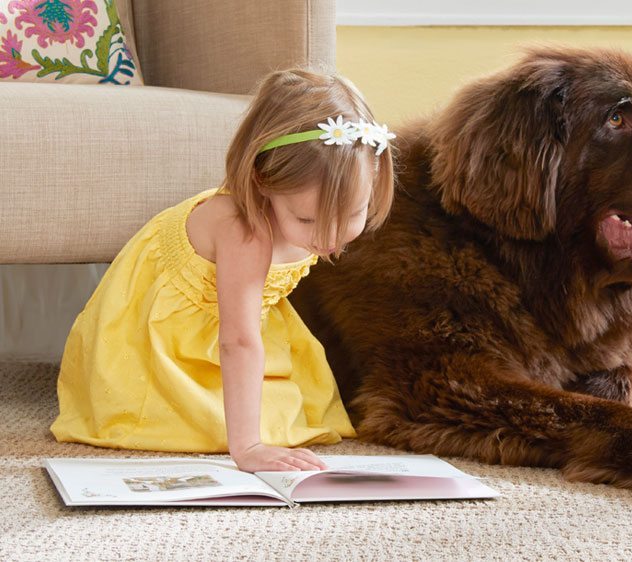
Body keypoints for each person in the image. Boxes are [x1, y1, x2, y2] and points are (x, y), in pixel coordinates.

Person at [51, 69, 395, 472]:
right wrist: (247, 447)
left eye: (353, 213)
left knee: (292, 411)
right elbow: (238, 341)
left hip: (229, 323)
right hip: (165, 336)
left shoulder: (319, 206)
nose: (331, 236)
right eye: (306, 221)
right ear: (261, 180)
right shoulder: (243, 230)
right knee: (202, 424)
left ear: (375, 177)